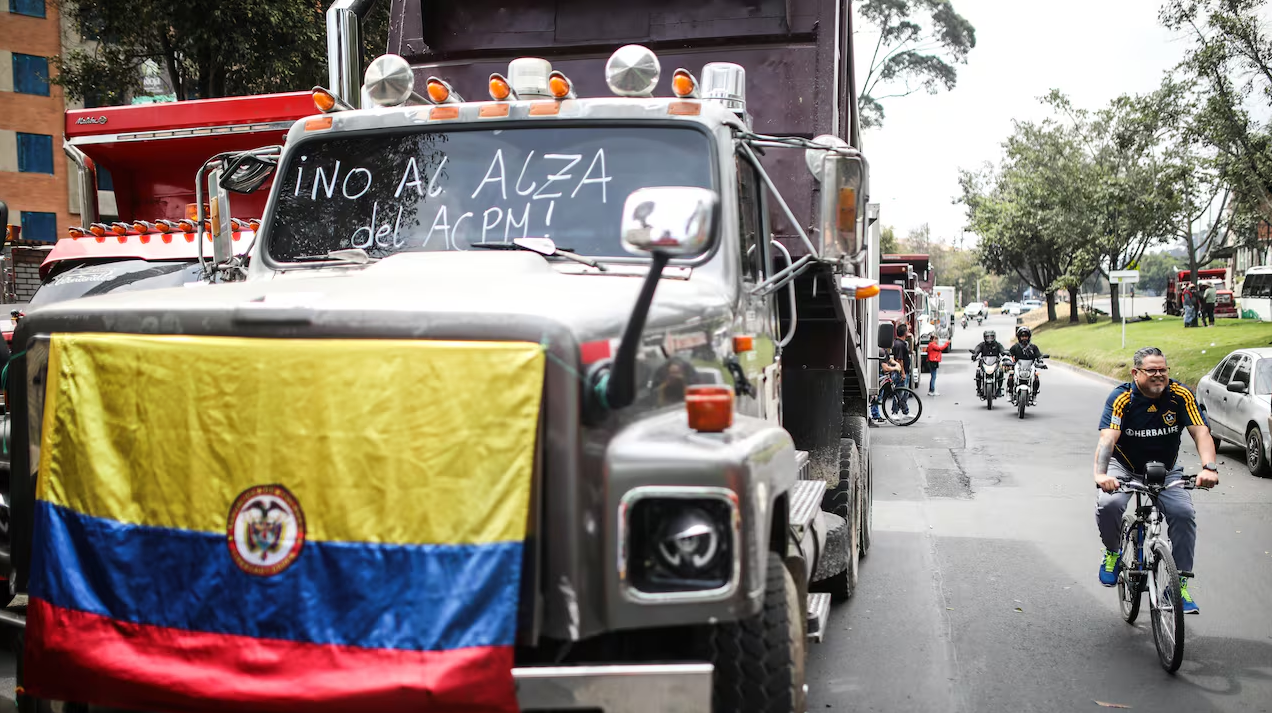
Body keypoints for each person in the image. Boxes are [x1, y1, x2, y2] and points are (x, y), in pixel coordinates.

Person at [1093, 346, 1218, 614]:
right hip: (1124, 466)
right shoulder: (1122, 398)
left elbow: (1201, 433)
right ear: (1135, 372)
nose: (1159, 375)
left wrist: (1209, 467)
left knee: (1183, 513)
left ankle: (1179, 585)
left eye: (1163, 369)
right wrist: (1102, 475)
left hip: (1166, 468)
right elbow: (1108, 439)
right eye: (1152, 370)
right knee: (1110, 504)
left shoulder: (1180, 395)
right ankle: (1113, 552)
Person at [1007, 325, 1043, 404]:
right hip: (1018, 367)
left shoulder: (1033, 347)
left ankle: (1034, 395)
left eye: (1026, 336)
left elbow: (1038, 355)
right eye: (1022, 336)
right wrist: (1008, 360)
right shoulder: (1015, 347)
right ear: (1019, 337)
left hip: (1030, 367)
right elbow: (1009, 354)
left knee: (1036, 378)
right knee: (1011, 376)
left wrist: (1040, 362)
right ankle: (1010, 392)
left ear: (1029, 337)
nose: (1024, 338)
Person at [970, 329, 1005, 397]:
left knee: (1001, 371)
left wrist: (1004, 353)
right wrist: (975, 354)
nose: (989, 339)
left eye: (991, 337)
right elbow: (977, 349)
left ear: (994, 337)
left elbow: (1002, 350)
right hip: (984, 363)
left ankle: (999, 389)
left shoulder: (997, 344)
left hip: (995, 364)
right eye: (987, 337)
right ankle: (979, 389)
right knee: (978, 372)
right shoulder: (982, 345)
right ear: (984, 337)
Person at [872, 347, 902, 422]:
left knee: (878, 396)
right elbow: (885, 368)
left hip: (880, 375)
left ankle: (875, 415)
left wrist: (896, 363)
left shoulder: (884, 351)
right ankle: (875, 415)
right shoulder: (881, 351)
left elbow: (888, 359)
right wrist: (895, 368)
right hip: (878, 375)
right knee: (876, 396)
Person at [890, 322, 913, 415]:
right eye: (907, 330)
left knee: (905, 393)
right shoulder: (900, 345)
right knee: (899, 393)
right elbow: (899, 360)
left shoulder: (901, 343)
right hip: (901, 372)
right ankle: (894, 412)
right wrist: (902, 372)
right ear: (905, 333)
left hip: (905, 371)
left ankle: (905, 411)